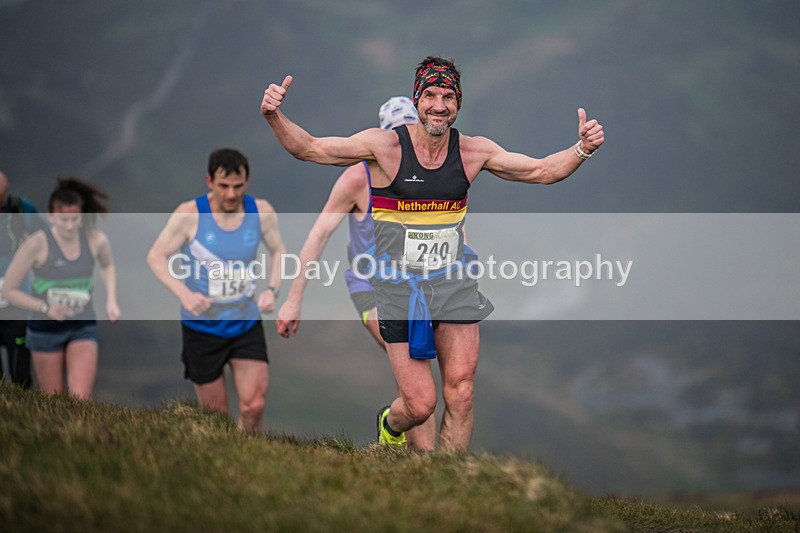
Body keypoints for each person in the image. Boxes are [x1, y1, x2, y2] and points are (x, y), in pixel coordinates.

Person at [261, 56, 605, 451]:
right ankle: (390, 425)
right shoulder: (383, 147)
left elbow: (541, 171)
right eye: (430, 95)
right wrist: (274, 115)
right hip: (398, 289)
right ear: (417, 99)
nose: (438, 106)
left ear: (458, 103)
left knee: (461, 392)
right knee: (420, 404)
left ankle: (447, 478)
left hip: (452, 284)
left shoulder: (474, 152)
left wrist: (582, 149)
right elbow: (309, 148)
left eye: (448, 97)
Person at [275, 96, 437, 450]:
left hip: (416, 286)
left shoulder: (428, 173)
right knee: (413, 361)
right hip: (370, 288)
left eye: (408, 134)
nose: (402, 144)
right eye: (394, 136)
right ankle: (420, 454)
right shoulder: (357, 178)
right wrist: (293, 299)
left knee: (413, 372)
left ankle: (407, 450)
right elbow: (319, 234)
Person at [147, 148, 285, 433]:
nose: (231, 194)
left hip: (245, 323)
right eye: (223, 186)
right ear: (209, 181)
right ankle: (226, 456)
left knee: (254, 406)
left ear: (247, 181)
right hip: (202, 328)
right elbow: (156, 257)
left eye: (238, 186)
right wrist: (184, 294)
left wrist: (271, 289)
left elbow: (278, 251)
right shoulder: (190, 214)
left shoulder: (261, 212)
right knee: (217, 418)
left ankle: (250, 455)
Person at [2, 177, 120, 399]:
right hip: (44, 329)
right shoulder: (36, 244)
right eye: (64, 220)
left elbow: (108, 265)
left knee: (80, 399)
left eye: (75, 219)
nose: (70, 226)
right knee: (53, 399)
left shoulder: (96, 240)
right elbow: (9, 290)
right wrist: (46, 308)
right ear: (51, 216)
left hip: (82, 325)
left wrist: (111, 300)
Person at [0, 170, 47, 388]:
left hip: (18, 297)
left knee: (19, 367)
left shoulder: (23, 210)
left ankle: (24, 396)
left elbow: (47, 239)